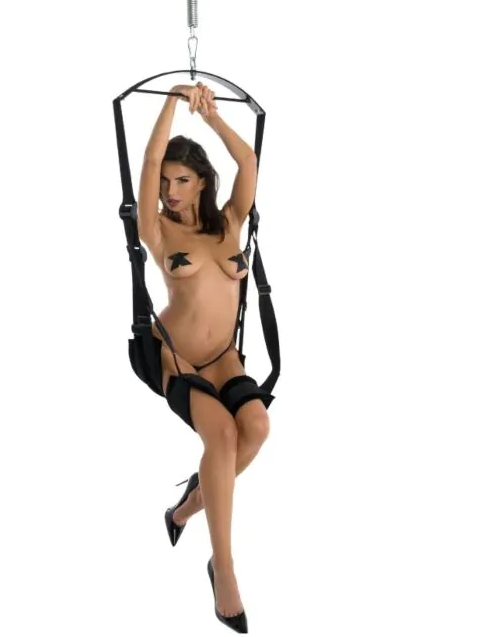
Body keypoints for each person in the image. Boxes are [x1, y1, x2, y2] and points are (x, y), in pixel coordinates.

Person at [136, 80, 275, 632]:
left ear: (201, 183)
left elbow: (249, 160)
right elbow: (148, 161)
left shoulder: (231, 222)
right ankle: (225, 570)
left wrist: (212, 114)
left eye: (182, 180)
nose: (170, 190)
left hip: (223, 356)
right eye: (166, 181)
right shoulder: (157, 230)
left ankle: (184, 509)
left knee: (256, 428)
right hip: (178, 359)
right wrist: (174, 99)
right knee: (221, 437)